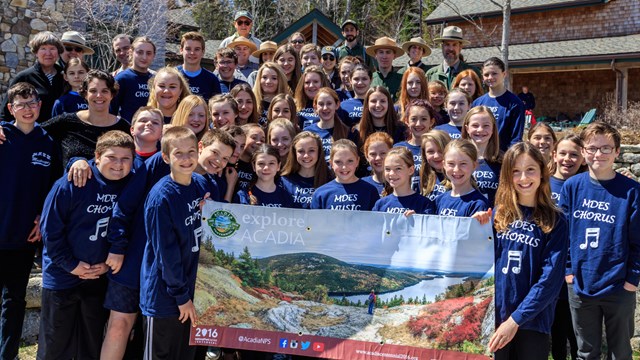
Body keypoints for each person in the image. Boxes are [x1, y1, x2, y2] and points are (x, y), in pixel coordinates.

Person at [38, 130, 135, 360]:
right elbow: (50, 231)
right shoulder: (73, 182)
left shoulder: (131, 185)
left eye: (126, 159)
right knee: (55, 344)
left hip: (99, 276)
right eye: (112, 157)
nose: (119, 165)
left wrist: (105, 266)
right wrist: (71, 265)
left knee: (91, 344)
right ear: (97, 156)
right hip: (63, 276)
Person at [560, 122, 640, 360]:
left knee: (621, 352)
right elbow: (563, 235)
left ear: (617, 152)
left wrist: (631, 281)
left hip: (619, 286)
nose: (599, 154)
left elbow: (638, 242)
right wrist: (568, 272)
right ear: (583, 152)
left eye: (606, 148)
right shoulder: (573, 186)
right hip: (581, 284)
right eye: (593, 148)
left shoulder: (632, 191)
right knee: (586, 352)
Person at [485, 142, 568, 360]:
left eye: (530, 169)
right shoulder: (497, 216)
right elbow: (478, 263)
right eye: (516, 172)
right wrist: (474, 228)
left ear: (542, 172)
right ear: (506, 176)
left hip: (533, 322)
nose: (523, 178)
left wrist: (516, 320)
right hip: (495, 318)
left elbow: (550, 280)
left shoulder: (555, 220)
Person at [139, 126, 214, 359]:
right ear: (165, 157)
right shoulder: (161, 198)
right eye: (178, 153)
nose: (186, 158)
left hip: (193, 293)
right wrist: (181, 297)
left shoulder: (201, 184)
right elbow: (166, 254)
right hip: (166, 298)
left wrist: (209, 212)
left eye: (191, 151)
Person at [0, 83, 58, 360]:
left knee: (14, 300)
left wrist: (41, 218)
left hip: (24, 237)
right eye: (20, 104)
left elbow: (51, 190)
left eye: (32, 103)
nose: (27, 109)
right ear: (10, 108)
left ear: (40, 106)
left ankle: (7, 354)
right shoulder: (2, 134)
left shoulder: (47, 142)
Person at [41, 70, 131, 170]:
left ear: (112, 95)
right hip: (70, 184)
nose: (99, 95)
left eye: (104, 91)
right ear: (85, 94)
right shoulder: (66, 121)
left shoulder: (123, 127)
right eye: (93, 91)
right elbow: (35, 132)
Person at [549, 133, 584, 360]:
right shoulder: (542, 182)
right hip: (550, 266)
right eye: (563, 153)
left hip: (576, 269)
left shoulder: (587, 185)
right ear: (554, 155)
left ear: (583, 158)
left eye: (574, 154)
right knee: (557, 332)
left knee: (578, 333)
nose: (567, 159)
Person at [1, 31, 65, 123]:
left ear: (58, 52)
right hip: (33, 133)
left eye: (52, 48)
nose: (48, 53)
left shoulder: (65, 76)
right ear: (36, 52)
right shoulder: (24, 77)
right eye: (43, 48)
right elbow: (6, 110)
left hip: (62, 133)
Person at [472, 57, 526, 152]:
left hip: (503, 158)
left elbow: (516, 138)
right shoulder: (477, 103)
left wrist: (508, 159)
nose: (490, 77)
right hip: (479, 156)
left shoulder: (515, 103)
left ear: (504, 74)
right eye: (486, 74)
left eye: (494, 73)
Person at [311, 139, 379, 211]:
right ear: (331, 163)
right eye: (338, 162)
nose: (344, 167)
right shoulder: (321, 193)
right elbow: (315, 221)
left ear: (357, 161)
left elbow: (375, 220)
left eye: (350, 161)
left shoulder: (369, 191)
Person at [435, 139, 490, 218]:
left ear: (474, 165)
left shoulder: (478, 204)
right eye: (451, 164)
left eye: (463, 164)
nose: (456, 169)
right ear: (444, 165)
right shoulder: (439, 200)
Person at [373, 146, 435, 214]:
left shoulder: (424, 204)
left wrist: (417, 219)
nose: (392, 173)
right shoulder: (380, 204)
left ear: (411, 170)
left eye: (398, 168)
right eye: (387, 169)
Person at [461, 106, 502, 206]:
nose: (480, 130)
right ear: (467, 129)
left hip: (494, 218)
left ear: (493, 129)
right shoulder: (458, 158)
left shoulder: (503, 161)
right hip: (466, 218)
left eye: (486, 125)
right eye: (475, 125)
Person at [281, 131, 332, 209]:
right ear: (294, 153)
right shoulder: (283, 181)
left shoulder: (330, 181)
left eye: (311, 150)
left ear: (319, 152)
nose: (306, 155)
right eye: (301, 151)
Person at [305, 88, 357, 163]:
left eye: (329, 103)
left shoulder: (349, 133)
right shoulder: (307, 132)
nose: (325, 108)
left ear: (337, 105)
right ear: (315, 107)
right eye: (321, 104)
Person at [395, 99, 437, 191]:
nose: (418, 124)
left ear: (431, 121)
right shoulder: (398, 148)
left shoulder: (437, 149)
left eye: (424, 119)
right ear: (406, 121)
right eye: (414, 119)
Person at [112, 36, 156, 123]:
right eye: (140, 52)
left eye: (148, 53)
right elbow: (111, 111)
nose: (144, 57)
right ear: (131, 52)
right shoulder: (121, 78)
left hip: (152, 129)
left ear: (154, 55)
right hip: (128, 129)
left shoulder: (156, 79)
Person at [177, 32, 222, 102]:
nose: (192, 53)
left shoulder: (212, 79)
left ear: (203, 52)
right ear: (181, 50)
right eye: (188, 49)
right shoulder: (174, 75)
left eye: (197, 49)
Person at [367, 37, 404, 102]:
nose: (384, 56)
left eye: (388, 52)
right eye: (381, 52)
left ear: (394, 55)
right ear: (375, 55)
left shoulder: (402, 80)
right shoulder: (368, 79)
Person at [420, 130, 451, 201]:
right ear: (424, 155)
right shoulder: (423, 177)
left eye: (441, 151)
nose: (436, 156)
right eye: (430, 152)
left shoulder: (459, 179)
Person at [235, 123, 265, 191]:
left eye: (262, 140)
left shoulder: (261, 168)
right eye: (254, 138)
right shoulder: (232, 161)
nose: (259, 142)